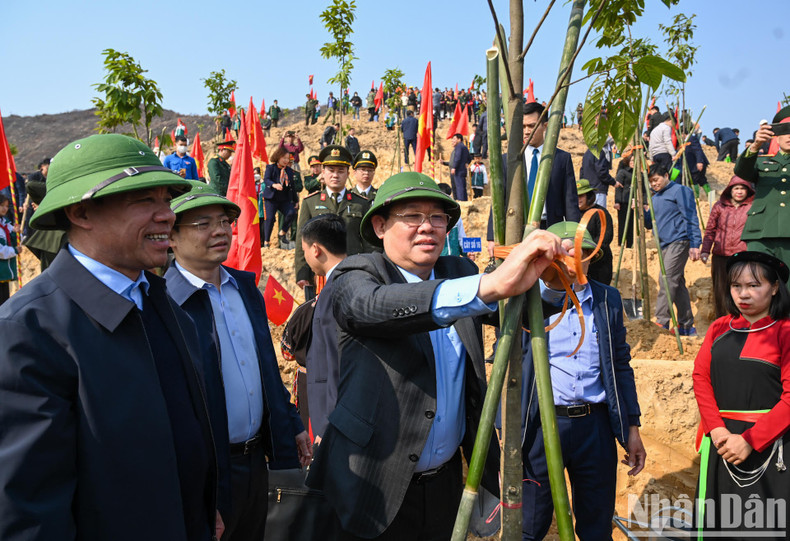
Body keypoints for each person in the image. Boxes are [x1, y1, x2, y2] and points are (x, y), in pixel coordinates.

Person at [305, 171, 566, 540]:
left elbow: (519, 309)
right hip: (371, 483)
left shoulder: (458, 271)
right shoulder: (357, 274)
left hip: (446, 484)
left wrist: (554, 280)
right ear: (379, 226)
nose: (426, 227)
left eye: (437, 217)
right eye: (412, 216)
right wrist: (491, 284)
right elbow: (369, 306)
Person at [0, 133, 223, 540]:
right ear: (81, 212)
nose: (167, 216)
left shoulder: (163, 305)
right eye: (143, 201)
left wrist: (201, 504)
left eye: (166, 199)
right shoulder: (26, 331)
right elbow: (28, 514)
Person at [165, 182, 311, 541]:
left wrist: (290, 422)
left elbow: (264, 368)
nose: (219, 231)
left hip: (256, 462)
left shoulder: (245, 290)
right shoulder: (164, 304)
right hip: (208, 471)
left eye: (225, 221)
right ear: (171, 237)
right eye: (202, 224)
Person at [520, 220, 645, 541]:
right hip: (541, 427)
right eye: (566, 252)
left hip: (596, 428)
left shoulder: (607, 300)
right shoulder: (524, 298)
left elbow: (620, 364)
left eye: (584, 252)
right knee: (530, 524)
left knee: (595, 525)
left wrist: (631, 427)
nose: (576, 260)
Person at [692, 251, 790, 540]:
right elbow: (701, 378)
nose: (743, 294)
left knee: (766, 527)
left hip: (771, 445)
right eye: (736, 286)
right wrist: (718, 429)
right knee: (720, 525)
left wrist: (749, 440)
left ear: (774, 287)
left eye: (753, 285)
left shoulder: (784, 331)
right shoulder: (720, 327)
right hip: (721, 444)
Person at [486, 101, 581, 255]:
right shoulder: (509, 160)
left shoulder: (561, 159)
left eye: (531, 126)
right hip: (516, 228)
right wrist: (492, 236)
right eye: (522, 127)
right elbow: (498, 200)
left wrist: (573, 236)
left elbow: (570, 201)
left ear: (545, 125)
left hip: (550, 228)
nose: (526, 131)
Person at [294, 145, 371, 289]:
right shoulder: (310, 202)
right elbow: (302, 240)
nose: (335, 175)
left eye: (341, 171)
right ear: (323, 172)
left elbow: (368, 242)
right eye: (331, 170)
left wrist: (370, 270)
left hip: (354, 272)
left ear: (348, 173)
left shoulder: (361, 203)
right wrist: (302, 274)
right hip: (321, 276)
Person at [301, 214, 348, 442]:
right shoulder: (350, 279)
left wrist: (330, 423)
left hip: (336, 424)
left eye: (305, 251)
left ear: (316, 249)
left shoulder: (334, 289)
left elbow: (336, 361)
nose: (306, 257)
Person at [735, 106, 790, 276]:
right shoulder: (761, 162)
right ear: (776, 135)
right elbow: (741, 171)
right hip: (761, 233)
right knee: (760, 283)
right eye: (785, 130)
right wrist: (756, 145)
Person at [647, 163, 701, 336]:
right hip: (663, 244)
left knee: (666, 279)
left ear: (665, 175)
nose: (654, 184)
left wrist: (695, 243)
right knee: (677, 284)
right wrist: (642, 210)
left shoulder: (680, 191)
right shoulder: (654, 197)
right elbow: (649, 223)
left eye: (656, 180)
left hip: (679, 241)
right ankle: (686, 325)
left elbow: (690, 216)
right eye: (651, 182)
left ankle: (662, 321)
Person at [701, 176, 754, 318]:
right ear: (730, 190)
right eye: (736, 188)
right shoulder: (719, 206)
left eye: (743, 188)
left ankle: (742, 321)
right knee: (721, 290)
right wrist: (705, 250)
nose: (739, 191)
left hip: (742, 256)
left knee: (742, 290)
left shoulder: (752, 207)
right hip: (720, 255)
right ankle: (723, 322)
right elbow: (710, 230)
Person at [577, 178, 614, 284]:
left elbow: (605, 238)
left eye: (581, 196)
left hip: (599, 264)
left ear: (589, 196)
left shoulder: (601, 213)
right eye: (576, 196)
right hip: (580, 263)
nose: (578, 199)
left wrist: (589, 252)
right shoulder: (574, 214)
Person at [261, 147, 299, 249]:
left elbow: (293, 187)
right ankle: (266, 242)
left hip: (284, 199)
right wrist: (274, 185)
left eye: (288, 158)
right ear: (278, 157)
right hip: (271, 198)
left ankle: (282, 233)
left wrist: (296, 201)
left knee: (291, 212)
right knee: (270, 219)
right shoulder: (270, 168)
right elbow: (266, 179)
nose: (286, 160)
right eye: (284, 158)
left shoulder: (289, 171)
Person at [579, 143, 619, 208]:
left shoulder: (587, 153)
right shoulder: (599, 152)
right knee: (600, 214)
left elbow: (582, 172)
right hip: (598, 189)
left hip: (589, 191)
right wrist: (613, 182)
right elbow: (601, 172)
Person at [613, 153, 635, 248]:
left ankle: (630, 244)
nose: (633, 163)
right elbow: (618, 188)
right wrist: (617, 201)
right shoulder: (622, 172)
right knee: (622, 223)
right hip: (623, 200)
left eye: (634, 161)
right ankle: (620, 243)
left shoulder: (636, 173)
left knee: (631, 224)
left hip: (631, 201)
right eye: (631, 161)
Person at [0, 194, 18, 304]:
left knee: (5, 301)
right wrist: (15, 251)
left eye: (6, 206)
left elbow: (16, 239)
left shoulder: (5, 223)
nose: (5, 209)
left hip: (4, 273)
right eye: (1, 205)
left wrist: (16, 232)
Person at [449, 133, 471, 201]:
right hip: (463, 170)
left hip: (458, 170)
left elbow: (457, 158)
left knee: (459, 187)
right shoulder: (464, 147)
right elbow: (469, 158)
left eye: (454, 139)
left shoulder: (458, 147)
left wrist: (454, 167)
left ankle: (461, 202)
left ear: (459, 139)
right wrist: (466, 163)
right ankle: (464, 201)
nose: (453, 141)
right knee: (462, 187)